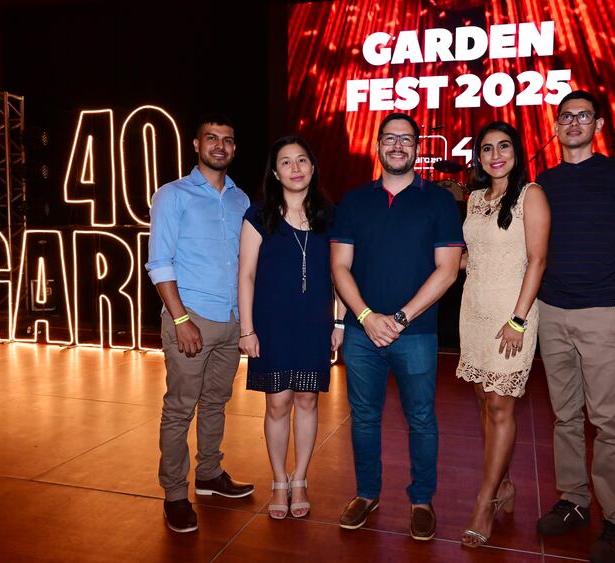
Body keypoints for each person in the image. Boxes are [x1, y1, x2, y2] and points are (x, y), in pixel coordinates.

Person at [330, 112, 464, 541]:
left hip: (417, 334)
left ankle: (421, 500)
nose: (398, 146)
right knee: (364, 418)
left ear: (418, 148)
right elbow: (339, 266)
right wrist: (366, 317)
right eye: (390, 138)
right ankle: (367, 494)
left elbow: (448, 270)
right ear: (378, 146)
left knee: (421, 419)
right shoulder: (354, 201)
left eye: (406, 139)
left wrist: (401, 318)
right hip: (361, 332)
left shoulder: (439, 202)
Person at [535, 90, 615, 563]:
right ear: (557, 126)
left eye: (583, 116)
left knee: (608, 424)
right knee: (565, 417)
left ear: (598, 125)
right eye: (566, 116)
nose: (573, 122)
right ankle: (574, 501)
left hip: (603, 314)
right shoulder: (545, 182)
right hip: (552, 312)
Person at [146, 114, 254, 534]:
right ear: (196, 144)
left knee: (215, 402)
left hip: (230, 320)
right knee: (179, 409)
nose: (219, 146)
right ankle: (175, 494)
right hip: (191, 319)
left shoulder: (241, 200)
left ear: (234, 148)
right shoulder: (173, 195)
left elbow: (246, 264)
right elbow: (159, 262)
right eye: (212, 138)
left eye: (227, 139)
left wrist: (245, 322)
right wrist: (180, 319)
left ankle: (209, 474)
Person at [238, 135, 346, 520]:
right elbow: (246, 275)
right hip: (271, 323)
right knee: (277, 402)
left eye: (302, 160)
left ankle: (300, 478)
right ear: (275, 172)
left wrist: (340, 321)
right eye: (286, 162)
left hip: (315, 323)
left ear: (312, 168)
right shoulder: (258, 215)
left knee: (307, 399)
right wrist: (247, 330)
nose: (295, 168)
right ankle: (278, 481)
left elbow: (341, 273)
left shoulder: (330, 217)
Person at [457, 121, 550, 547]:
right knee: (484, 402)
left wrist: (517, 319)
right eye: (487, 148)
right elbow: (472, 257)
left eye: (504, 146)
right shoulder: (475, 198)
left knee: (500, 405)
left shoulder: (532, 195)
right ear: (478, 156)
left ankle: (485, 501)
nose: (496, 155)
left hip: (512, 315)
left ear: (517, 151)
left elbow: (537, 261)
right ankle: (505, 483)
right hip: (473, 311)